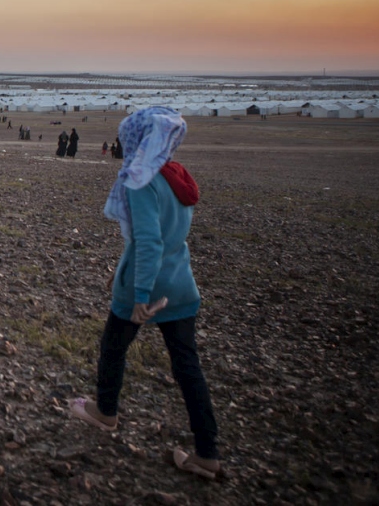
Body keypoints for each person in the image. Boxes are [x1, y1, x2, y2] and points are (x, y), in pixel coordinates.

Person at [69, 106, 222, 480]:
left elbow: (150, 241)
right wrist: (120, 269)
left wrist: (139, 294)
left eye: (127, 136)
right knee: (188, 368)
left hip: (146, 285)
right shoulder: (175, 174)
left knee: (113, 347)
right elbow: (164, 238)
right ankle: (208, 452)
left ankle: (105, 412)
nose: (124, 142)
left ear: (140, 138)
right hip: (181, 284)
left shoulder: (141, 178)